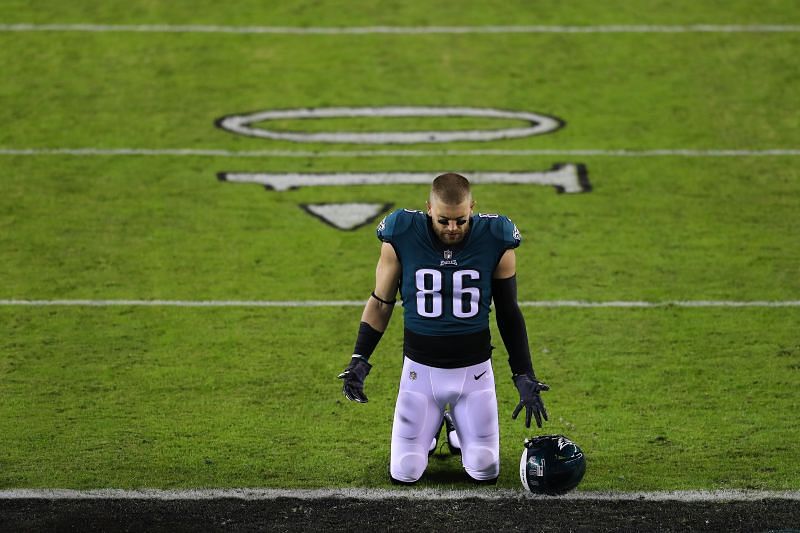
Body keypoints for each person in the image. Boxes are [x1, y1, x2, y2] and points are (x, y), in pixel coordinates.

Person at [338, 173, 549, 485]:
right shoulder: (402, 232)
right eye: (444, 220)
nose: (453, 229)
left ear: (472, 209)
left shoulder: (496, 237)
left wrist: (523, 373)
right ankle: (433, 427)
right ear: (428, 209)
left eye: (461, 221)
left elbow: (508, 312)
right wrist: (359, 358)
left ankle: (454, 427)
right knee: (405, 471)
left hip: (474, 373)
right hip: (419, 373)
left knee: (484, 468)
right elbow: (381, 302)